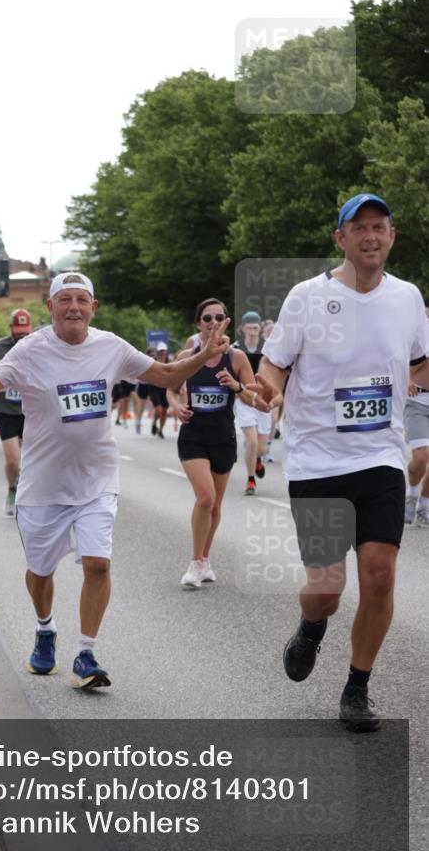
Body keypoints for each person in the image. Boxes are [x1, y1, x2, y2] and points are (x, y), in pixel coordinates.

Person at [0, 271, 232, 690]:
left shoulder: (110, 346)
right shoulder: (30, 350)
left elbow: (167, 376)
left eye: (81, 299)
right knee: (40, 572)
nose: (74, 307)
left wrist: (203, 355)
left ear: (93, 307)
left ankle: (86, 652)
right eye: (65, 299)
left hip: (97, 479)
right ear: (51, 307)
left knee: (98, 564)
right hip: (43, 484)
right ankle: (45, 628)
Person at [256, 193, 429, 733]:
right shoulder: (307, 298)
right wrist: (269, 391)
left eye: (380, 227)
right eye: (359, 228)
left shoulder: (407, 298)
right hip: (317, 463)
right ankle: (311, 627)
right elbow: (273, 365)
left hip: (380, 456)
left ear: (391, 236)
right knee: (327, 590)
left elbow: (421, 364)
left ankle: (357, 687)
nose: (371, 237)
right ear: (341, 238)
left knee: (379, 576)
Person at [168, 299, 263, 588]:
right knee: (206, 498)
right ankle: (195, 562)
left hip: (223, 438)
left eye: (218, 317)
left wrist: (236, 386)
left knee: (216, 505)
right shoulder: (187, 356)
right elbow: (171, 390)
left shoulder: (236, 358)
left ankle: (205, 559)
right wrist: (177, 407)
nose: (213, 322)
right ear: (198, 323)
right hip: (193, 438)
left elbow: (255, 398)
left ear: (225, 322)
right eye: (207, 318)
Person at [0, 309, 33, 515]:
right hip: (6, 410)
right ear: (11, 328)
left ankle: (30, 494)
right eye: (18, 331)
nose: (22, 335)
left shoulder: (39, 344)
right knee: (13, 458)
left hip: (32, 411)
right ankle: (12, 489)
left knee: (31, 459)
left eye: (25, 331)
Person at [232, 311, 271, 494]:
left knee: (261, 449)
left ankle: (257, 459)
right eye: (249, 328)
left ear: (260, 329)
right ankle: (250, 480)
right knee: (252, 442)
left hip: (263, 400)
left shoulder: (268, 347)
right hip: (244, 399)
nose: (252, 332)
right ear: (242, 329)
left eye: (255, 328)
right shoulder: (235, 348)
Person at [404, 307, 429, 527]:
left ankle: (424, 506)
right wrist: (406, 377)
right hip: (417, 400)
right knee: (421, 456)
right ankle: (411, 494)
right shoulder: (419, 324)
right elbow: (396, 353)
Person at [148, 342, 170, 438]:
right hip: (154, 387)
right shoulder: (153, 361)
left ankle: (160, 430)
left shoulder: (170, 361)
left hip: (165, 389)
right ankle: (154, 422)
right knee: (159, 409)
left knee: (164, 411)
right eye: (160, 351)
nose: (162, 352)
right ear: (157, 352)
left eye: (163, 350)